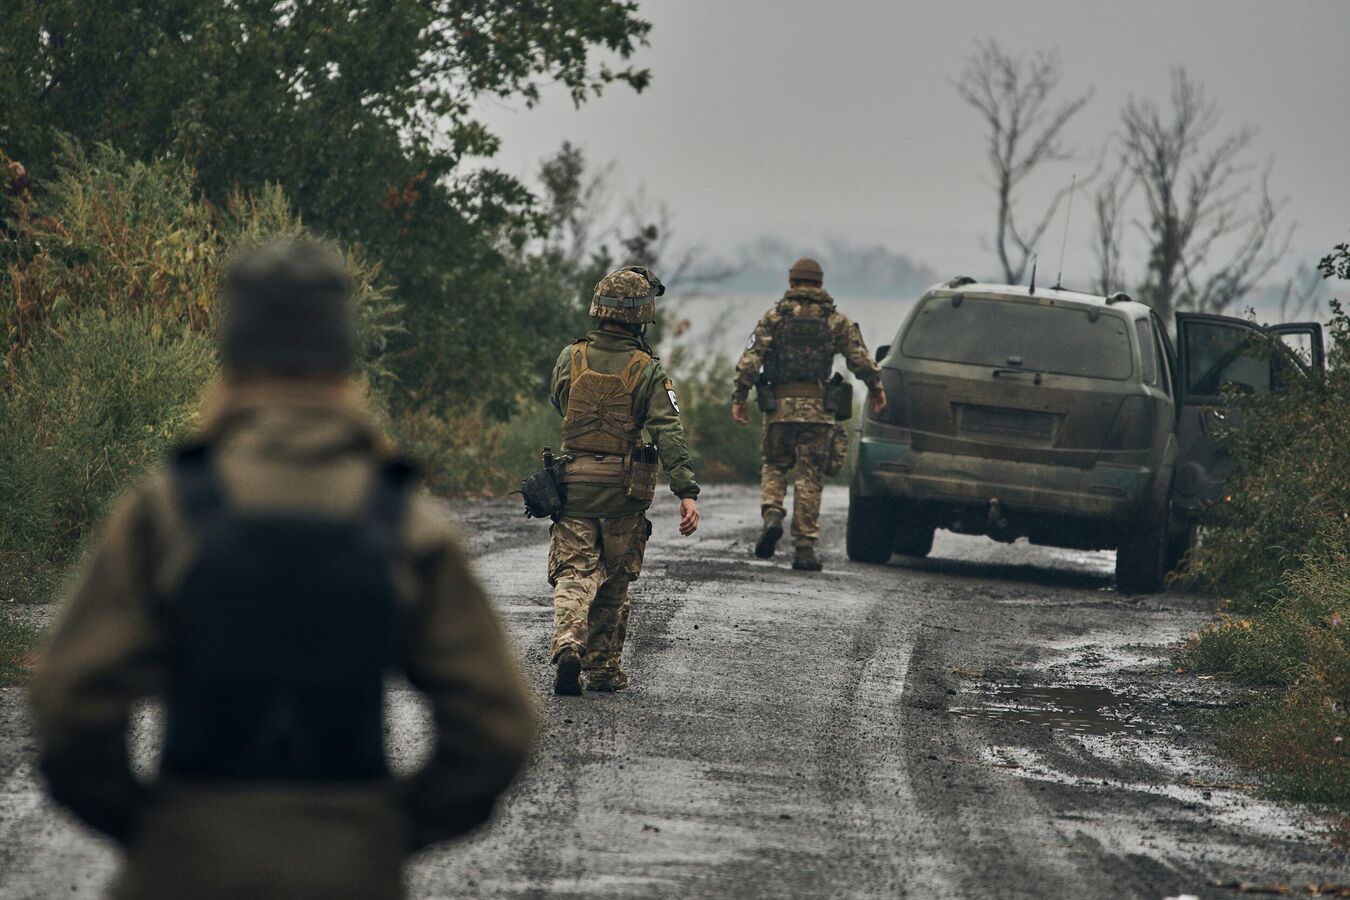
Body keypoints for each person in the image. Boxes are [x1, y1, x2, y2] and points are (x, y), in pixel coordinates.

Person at [29, 238, 535, 900]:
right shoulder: (404, 520)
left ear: (233, 347)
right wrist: (390, 826)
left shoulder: (167, 510)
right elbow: (498, 726)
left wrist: (146, 822)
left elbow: (70, 705)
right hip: (352, 867)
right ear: (344, 352)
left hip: (183, 863)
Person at [547, 265, 700, 695]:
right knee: (614, 581)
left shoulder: (571, 356)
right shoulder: (647, 369)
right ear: (643, 314)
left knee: (574, 573)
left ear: (600, 307)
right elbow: (668, 430)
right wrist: (686, 492)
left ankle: (567, 645)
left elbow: (561, 401)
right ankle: (603, 669)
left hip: (574, 484)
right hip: (623, 491)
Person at [731, 257, 887, 571]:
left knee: (775, 465)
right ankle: (804, 550)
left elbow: (750, 360)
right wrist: (877, 387)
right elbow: (860, 359)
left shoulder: (774, 317)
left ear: (791, 283)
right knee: (810, 477)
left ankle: (773, 514)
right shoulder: (835, 320)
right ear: (820, 283)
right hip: (819, 412)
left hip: (779, 409)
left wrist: (740, 397)